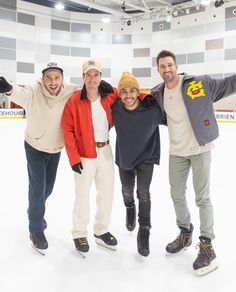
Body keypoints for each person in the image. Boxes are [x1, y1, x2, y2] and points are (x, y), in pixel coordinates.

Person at [152, 49, 236, 275]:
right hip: (176, 152)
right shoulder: (158, 93)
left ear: (176, 66)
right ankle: (185, 233)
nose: (167, 70)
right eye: (162, 67)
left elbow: (229, 84)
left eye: (170, 65)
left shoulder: (198, 84)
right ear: (158, 70)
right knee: (176, 194)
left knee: (203, 197)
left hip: (200, 148)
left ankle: (207, 245)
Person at [0, 62, 78, 254]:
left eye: (56, 78)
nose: (53, 82)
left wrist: (102, 87)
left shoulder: (70, 91)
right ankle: (35, 229)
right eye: (49, 78)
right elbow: (20, 93)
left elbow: (88, 90)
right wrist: (9, 89)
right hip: (34, 147)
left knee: (47, 189)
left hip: (55, 148)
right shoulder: (34, 91)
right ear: (42, 79)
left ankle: (34, 212)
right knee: (37, 190)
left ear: (62, 78)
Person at [62, 59, 118, 257]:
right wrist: (73, 158)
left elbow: (131, 94)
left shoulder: (109, 96)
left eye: (96, 75)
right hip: (85, 155)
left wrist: (115, 89)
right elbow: (67, 130)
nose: (92, 78)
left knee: (107, 193)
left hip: (106, 151)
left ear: (101, 77)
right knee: (82, 195)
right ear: (83, 77)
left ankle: (101, 230)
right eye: (88, 74)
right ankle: (79, 233)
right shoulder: (75, 100)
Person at [112, 72, 166, 257]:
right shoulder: (115, 108)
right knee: (127, 190)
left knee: (143, 193)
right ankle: (129, 208)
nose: (128, 95)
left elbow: (176, 117)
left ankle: (144, 229)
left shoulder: (152, 110)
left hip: (146, 157)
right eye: (124, 91)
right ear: (120, 94)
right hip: (125, 156)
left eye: (132, 91)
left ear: (138, 91)